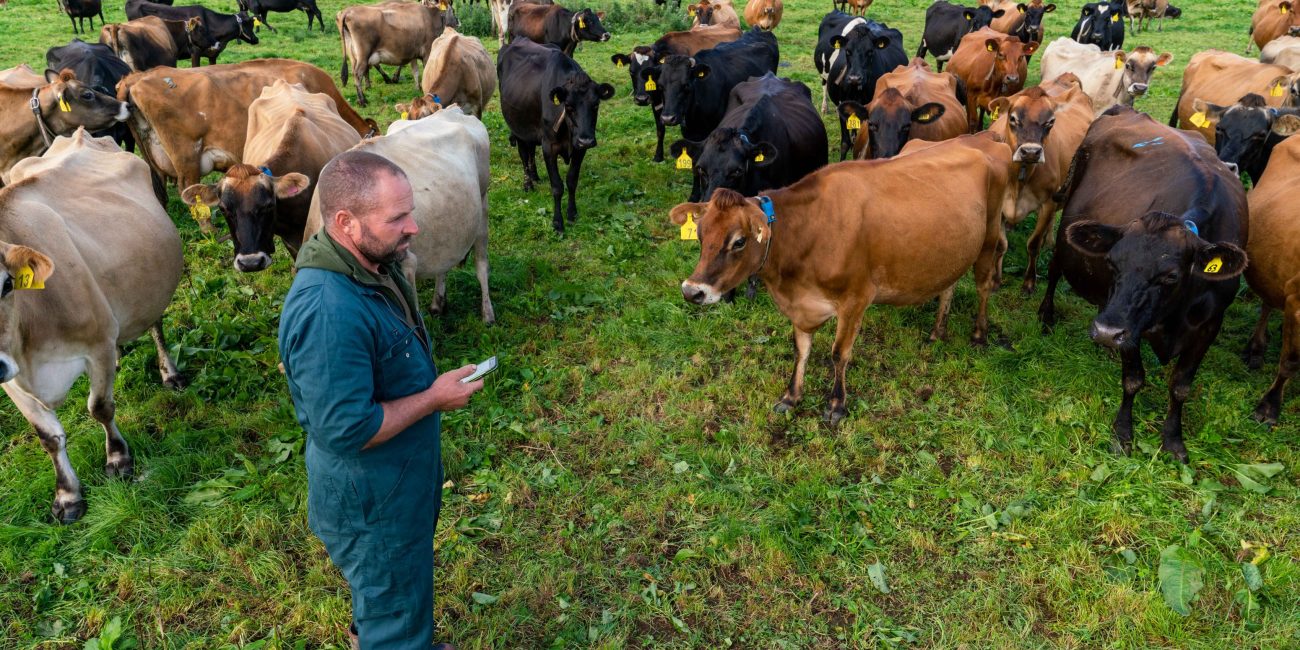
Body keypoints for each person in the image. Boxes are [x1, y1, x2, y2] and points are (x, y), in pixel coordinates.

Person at [278, 150, 482, 650]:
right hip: (373, 497)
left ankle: (385, 633)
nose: (413, 227)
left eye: (409, 211)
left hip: (396, 481)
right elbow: (348, 429)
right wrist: (434, 398)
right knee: (390, 585)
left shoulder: (369, 262)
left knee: (391, 587)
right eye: (397, 218)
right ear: (345, 222)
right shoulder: (330, 309)